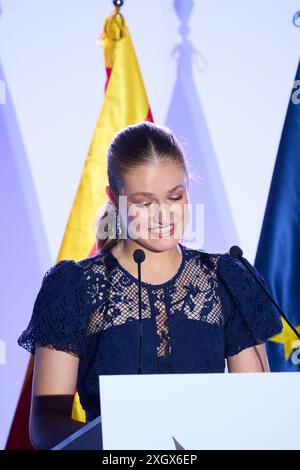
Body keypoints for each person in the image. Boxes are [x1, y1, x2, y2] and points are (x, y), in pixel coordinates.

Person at [18, 121, 283, 449]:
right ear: (115, 198)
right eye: (144, 203)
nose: (163, 216)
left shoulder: (226, 279)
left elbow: (257, 415)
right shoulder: (74, 288)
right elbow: (45, 427)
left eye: (175, 197)